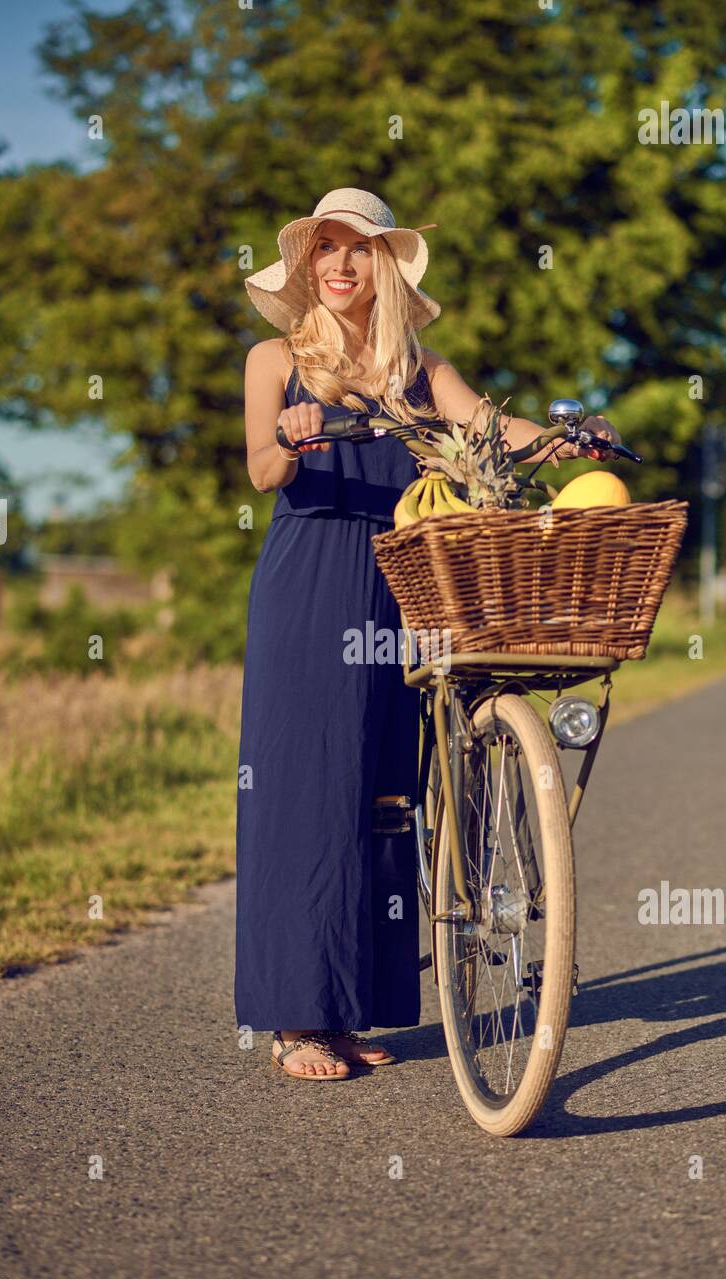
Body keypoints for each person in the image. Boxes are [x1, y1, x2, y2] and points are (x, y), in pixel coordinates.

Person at [235, 187, 619, 1080]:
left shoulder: (419, 370)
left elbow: (490, 425)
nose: (338, 265)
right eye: (324, 249)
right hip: (310, 586)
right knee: (304, 788)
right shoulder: (273, 360)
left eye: (357, 250)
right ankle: (298, 1019)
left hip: (405, 580)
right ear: (304, 265)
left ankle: (353, 1004)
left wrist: (569, 441)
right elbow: (261, 470)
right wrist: (294, 436)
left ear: (384, 268)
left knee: (382, 790)